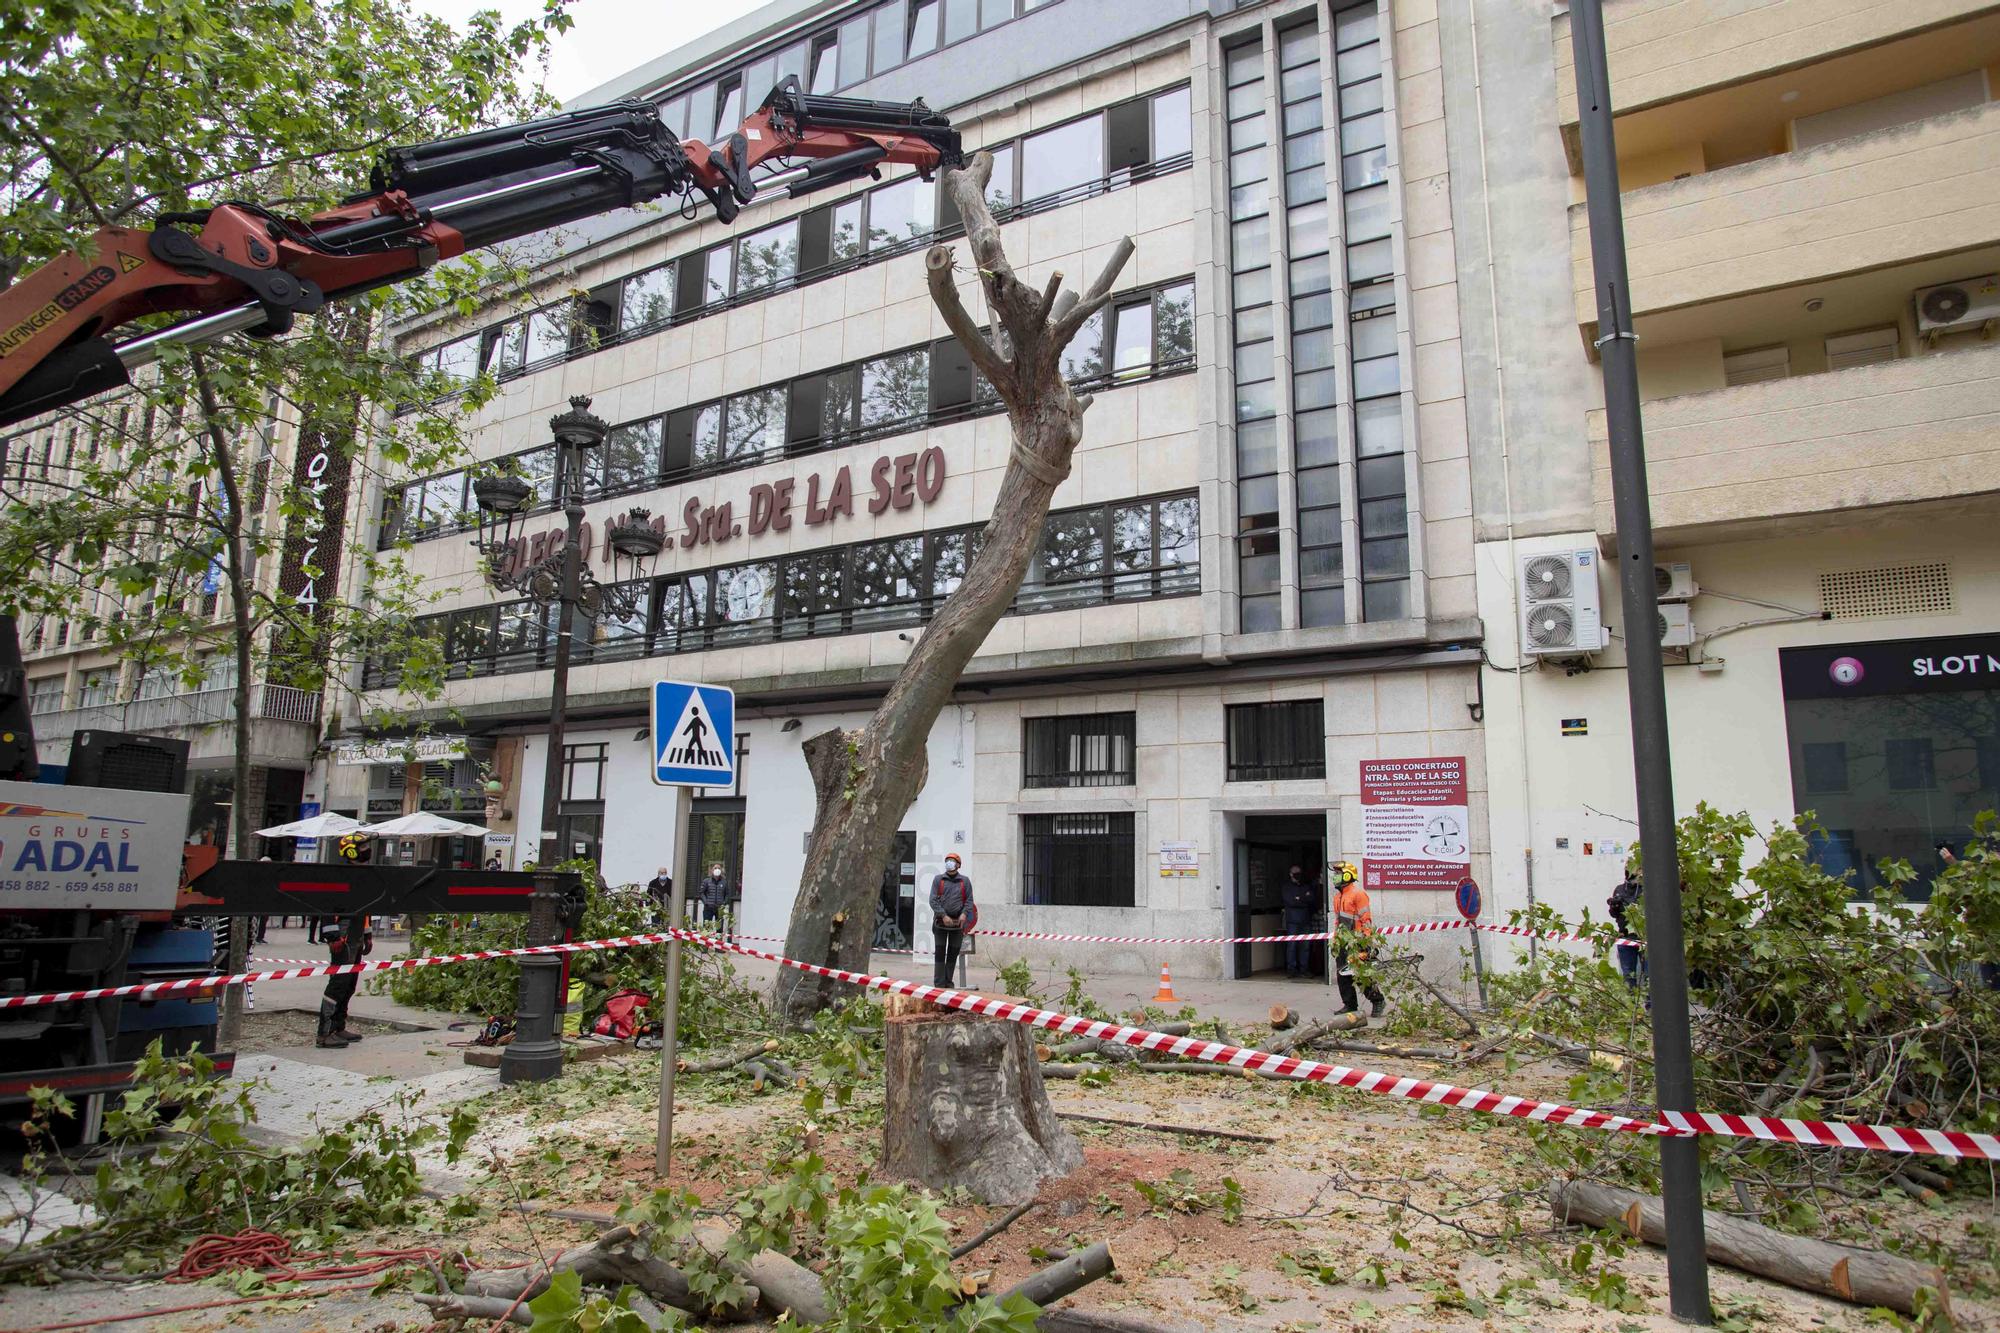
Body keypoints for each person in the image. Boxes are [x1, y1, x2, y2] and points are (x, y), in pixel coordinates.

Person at [1331, 862, 1385, 1018]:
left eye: (1338, 874)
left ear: (1347, 875)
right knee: (1343, 975)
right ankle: (1349, 1005)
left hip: (1357, 942)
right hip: (1343, 942)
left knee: (1361, 976)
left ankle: (1377, 1000)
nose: (1335, 877)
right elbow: (1338, 921)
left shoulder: (1358, 894)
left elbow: (1366, 920)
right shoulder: (1337, 897)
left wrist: (1365, 943)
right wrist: (1335, 939)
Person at [929, 853, 973, 988]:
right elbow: (933, 900)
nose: (949, 863)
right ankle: (939, 983)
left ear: (958, 865)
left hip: (957, 925)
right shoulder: (938, 880)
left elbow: (969, 901)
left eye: (952, 861)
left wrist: (964, 914)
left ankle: (948, 982)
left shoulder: (964, 881)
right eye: (947, 860)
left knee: (953, 954)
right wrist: (943, 915)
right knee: (940, 953)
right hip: (941, 923)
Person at [1608, 868, 1646, 990]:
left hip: (1644, 937)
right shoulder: (1619, 890)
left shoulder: (1645, 889)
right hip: (1625, 937)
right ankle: (1630, 1005)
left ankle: (1651, 1005)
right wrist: (1614, 906)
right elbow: (1614, 915)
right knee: (1628, 974)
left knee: (1650, 974)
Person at [1281, 864, 1320, 978]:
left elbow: (1311, 899)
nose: (1298, 875)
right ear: (1290, 874)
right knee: (1292, 946)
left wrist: (1299, 898)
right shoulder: (1287, 887)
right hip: (1292, 921)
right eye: (1295, 873)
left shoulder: (1305, 886)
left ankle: (1304, 969)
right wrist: (1303, 898)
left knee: (1305, 946)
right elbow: (1290, 902)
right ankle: (1291, 969)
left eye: (1299, 872)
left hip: (1305, 920)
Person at [697, 862, 730, 930]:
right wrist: (706, 902)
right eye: (715, 868)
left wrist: (724, 903)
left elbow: (727, 894)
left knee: (719, 929)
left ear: (721, 871)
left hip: (719, 909)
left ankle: (718, 940)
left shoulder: (724, 882)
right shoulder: (706, 881)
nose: (717, 869)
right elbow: (701, 893)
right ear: (712, 870)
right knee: (707, 928)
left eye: (719, 868)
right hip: (708, 908)